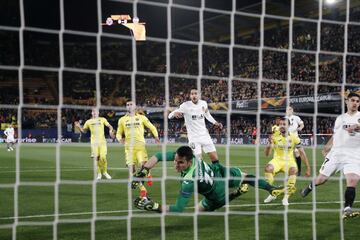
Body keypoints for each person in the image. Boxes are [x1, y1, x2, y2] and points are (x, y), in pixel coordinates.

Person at [132, 146, 285, 213]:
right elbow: (158, 156)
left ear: (189, 162)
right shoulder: (188, 156)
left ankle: (236, 193)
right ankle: (271, 188)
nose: (176, 165)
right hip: (220, 174)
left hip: (215, 193)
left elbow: (178, 209)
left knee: (198, 211)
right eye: (176, 160)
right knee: (248, 177)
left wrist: (154, 206)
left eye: (180, 163)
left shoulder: (189, 181)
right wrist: (144, 170)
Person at [301, 92, 360, 220]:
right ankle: (310, 186)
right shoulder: (340, 119)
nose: (355, 103)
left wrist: (357, 126)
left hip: (354, 154)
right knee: (321, 179)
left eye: (357, 101)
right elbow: (335, 135)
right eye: (353, 100)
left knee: (353, 180)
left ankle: (347, 209)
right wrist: (327, 147)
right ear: (347, 102)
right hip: (337, 153)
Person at [116, 101, 160, 200]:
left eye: (131, 104)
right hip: (129, 148)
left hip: (140, 146)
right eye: (127, 104)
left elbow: (152, 127)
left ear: (135, 106)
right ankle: (143, 189)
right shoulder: (122, 120)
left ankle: (148, 174)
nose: (129, 106)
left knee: (143, 166)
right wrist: (120, 139)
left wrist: (156, 137)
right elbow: (118, 133)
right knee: (132, 170)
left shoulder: (142, 117)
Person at [263, 117, 311, 206]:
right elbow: (267, 154)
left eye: (284, 124)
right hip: (277, 160)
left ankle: (285, 198)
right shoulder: (275, 136)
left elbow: (302, 153)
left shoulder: (294, 137)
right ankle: (272, 193)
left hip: (289, 161)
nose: (282, 126)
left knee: (294, 170)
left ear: (289, 126)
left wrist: (308, 168)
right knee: (268, 168)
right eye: (280, 124)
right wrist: (269, 144)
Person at [168, 89, 223, 162]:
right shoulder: (185, 105)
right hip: (193, 138)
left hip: (205, 136)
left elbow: (207, 115)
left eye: (195, 93)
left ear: (199, 95)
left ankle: (216, 173)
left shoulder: (204, 103)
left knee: (215, 159)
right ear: (190, 96)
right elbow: (169, 115)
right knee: (198, 161)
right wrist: (174, 114)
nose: (194, 95)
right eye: (192, 94)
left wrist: (216, 123)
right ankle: (201, 173)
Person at [75, 108, 114, 180]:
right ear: (92, 113)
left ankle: (105, 172)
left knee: (103, 158)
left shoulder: (102, 119)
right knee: (97, 158)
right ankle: (99, 174)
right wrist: (79, 126)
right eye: (93, 111)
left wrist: (111, 130)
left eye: (96, 111)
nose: (95, 113)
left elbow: (109, 126)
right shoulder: (88, 122)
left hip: (102, 142)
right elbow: (84, 131)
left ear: (98, 113)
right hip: (94, 143)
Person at [286, 106, 305, 176]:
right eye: (287, 109)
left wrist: (300, 128)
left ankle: (299, 170)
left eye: (290, 109)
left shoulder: (296, 117)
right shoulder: (284, 119)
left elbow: (302, 124)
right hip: (286, 139)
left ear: (292, 110)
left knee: (297, 153)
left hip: (295, 139)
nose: (289, 110)